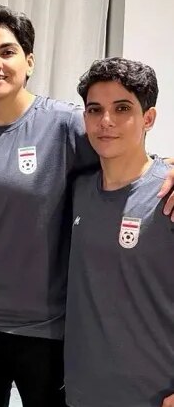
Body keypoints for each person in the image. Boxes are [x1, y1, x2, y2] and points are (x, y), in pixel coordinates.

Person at [0, 5, 174, 407]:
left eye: (7, 51)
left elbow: (125, 157)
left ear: (28, 61)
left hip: (47, 333)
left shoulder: (68, 125)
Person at [65, 57, 174, 407]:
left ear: (148, 118)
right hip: (83, 393)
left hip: (154, 396)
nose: (106, 121)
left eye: (122, 108)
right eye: (95, 110)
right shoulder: (77, 190)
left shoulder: (167, 196)